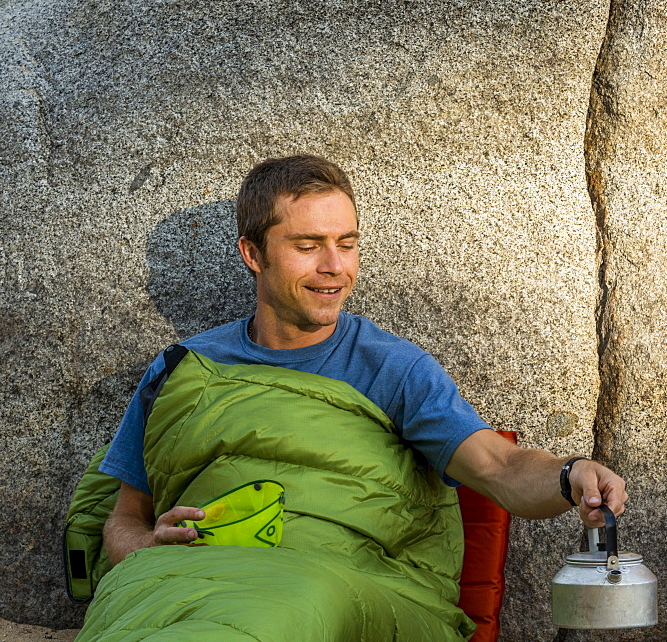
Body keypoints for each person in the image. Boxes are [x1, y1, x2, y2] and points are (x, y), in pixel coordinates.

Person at [101, 154, 627, 563]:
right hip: (191, 582)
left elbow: (498, 466)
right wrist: (148, 548)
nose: (335, 267)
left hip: (326, 590)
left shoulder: (392, 368)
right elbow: (125, 518)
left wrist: (570, 474)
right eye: (308, 246)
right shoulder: (183, 369)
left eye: (347, 244)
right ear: (253, 254)